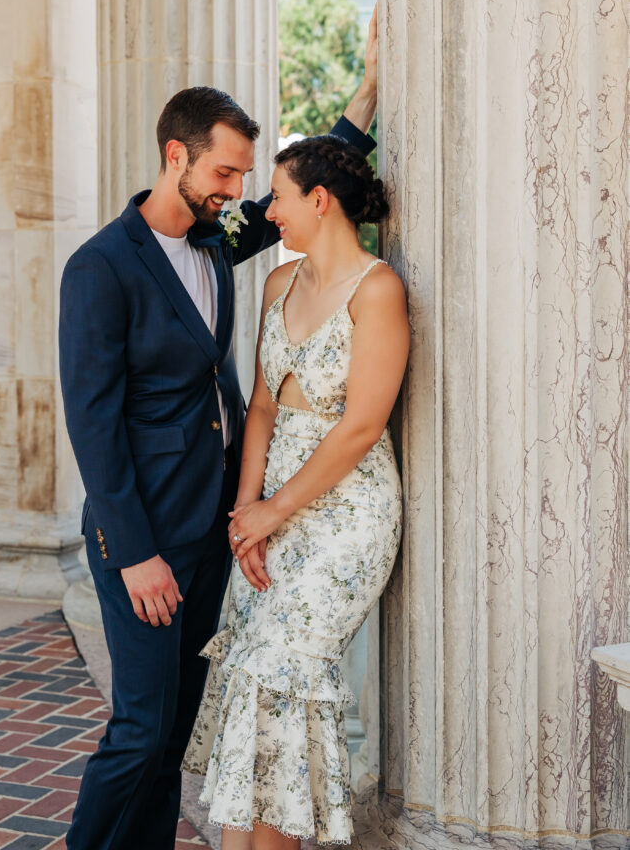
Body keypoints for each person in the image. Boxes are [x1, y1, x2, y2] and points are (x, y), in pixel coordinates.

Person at [58, 16, 378, 850]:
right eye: (224, 171)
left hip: (207, 524)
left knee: (174, 734)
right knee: (138, 729)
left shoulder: (211, 237)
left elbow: (312, 194)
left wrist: (367, 95)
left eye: (243, 174)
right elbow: (91, 421)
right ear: (176, 157)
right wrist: (133, 549)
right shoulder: (101, 266)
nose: (237, 189)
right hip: (143, 532)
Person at [182, 134, 409, 848]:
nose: (267, 212)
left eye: (277, 196)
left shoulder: (378, 289)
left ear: (319, 199)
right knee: (249, 685)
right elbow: (261, 407)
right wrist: (244, 517)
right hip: (266, 510)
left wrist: (273, 511)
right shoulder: (279, 284)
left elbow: (362, 426)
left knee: (280, 684)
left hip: (345, 513)